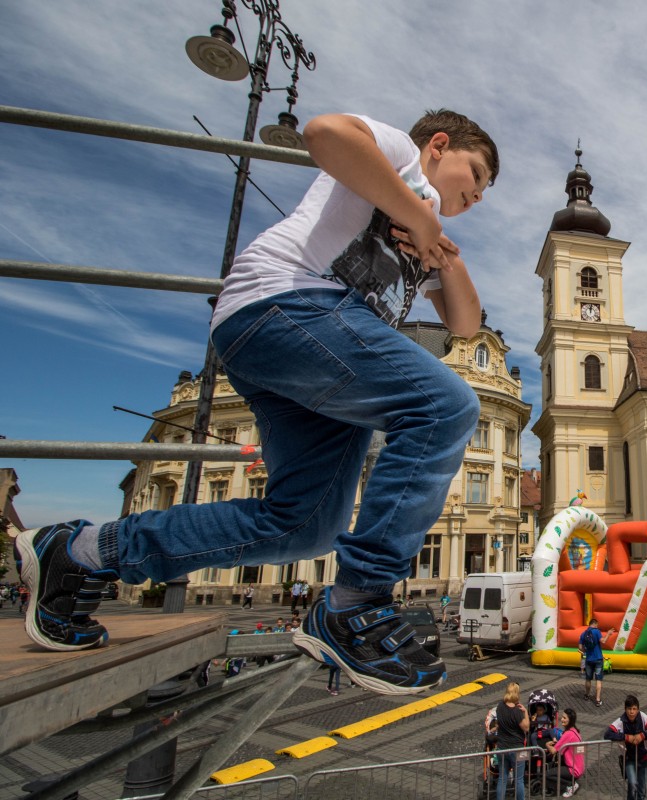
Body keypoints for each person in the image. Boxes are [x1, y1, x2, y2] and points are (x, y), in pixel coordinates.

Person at [13, 110, 499, 697]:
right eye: (473, 175)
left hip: (315, 354)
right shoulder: (398, 154)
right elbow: (324, 133)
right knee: (445, 406)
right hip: (284, 305)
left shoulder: (422, 232)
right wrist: (418, 212)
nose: (475, 195)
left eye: (483, 194)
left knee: (304, 525)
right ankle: (357, 601)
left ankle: (81, 551)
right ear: (438, 146)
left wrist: (445, 254)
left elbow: (465, 324)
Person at [604, 694, 647, 800]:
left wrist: (643, 735)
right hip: (629, 759)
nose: (632, 712)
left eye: (634, 709)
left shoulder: (643, 717)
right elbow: (607, 734)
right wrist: (626, 737)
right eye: (629, 709)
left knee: (642, 791)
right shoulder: (621, 721)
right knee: (633, 784)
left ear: (638, 709)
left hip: (643, 758)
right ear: (625, 709)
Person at [494, 682, 531, 800]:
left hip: (502, 747)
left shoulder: (500, 706)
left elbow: (498, 724)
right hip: (516, 749)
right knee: (519, 780)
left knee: (502, 778)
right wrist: (525, 712)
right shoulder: (517, 711)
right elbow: (526, 728)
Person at [546, 708, 585, 797]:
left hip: (573, 768)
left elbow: (553, 751)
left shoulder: (568, 734)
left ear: (570, 720)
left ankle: (570, 785)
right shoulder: (575, 731)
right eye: (562, 717)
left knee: (548, 774)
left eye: (564, 718)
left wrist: (547, 745)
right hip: (579, 766)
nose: (561, 719)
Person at [580, 618, 614, 707]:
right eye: (597, 625)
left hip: (589, 660)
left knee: (588, 679)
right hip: (598, 659)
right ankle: (598, 700)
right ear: (595, 624)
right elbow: (603, 641)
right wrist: (608, 634)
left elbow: (580, 647)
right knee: (598, 680)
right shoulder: (596, 631)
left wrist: (585, 651)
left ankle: (587, 695)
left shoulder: (583, 634)